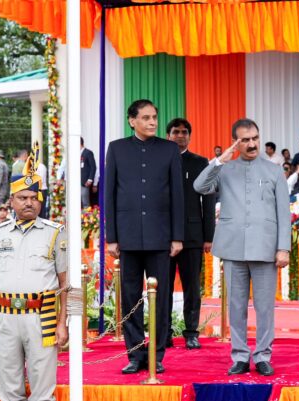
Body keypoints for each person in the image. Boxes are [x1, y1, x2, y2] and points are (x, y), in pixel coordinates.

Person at [194, 118, 291, 377]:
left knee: (265, 307)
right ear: (236, 142)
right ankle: (239, 355)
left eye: (255, 138)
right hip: (233, 247)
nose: (251, 144)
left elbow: (284, 212)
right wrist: (218, 161)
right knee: (235, 306)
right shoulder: (225, 169)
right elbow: (199, 187)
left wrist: (283, 248)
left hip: (266, 247)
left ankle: (262, 356)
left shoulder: (273, 171)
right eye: (245, 140)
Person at [0, 148, 68, 401]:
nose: (29, 202)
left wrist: (64, 323)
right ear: (12, 202)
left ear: (40, 201)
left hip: (42, 317)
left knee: (43, 390)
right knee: (9, 390)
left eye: (34, 197)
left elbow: (67, 285)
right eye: (22, 197)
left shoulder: (55, 233)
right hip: (5, 318)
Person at [105, 99, 184, 375]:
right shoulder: (116, 149)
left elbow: (177, 195)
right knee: (130, 297)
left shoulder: (169, 150)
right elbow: (110, 195)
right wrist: (111, 237)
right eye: (146, 117)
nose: (152, 122)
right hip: (126, 237)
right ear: (132, 120)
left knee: (160, 298)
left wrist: (177, 236)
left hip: (160, 236)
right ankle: (135, 355)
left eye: (154, 117)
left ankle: (156, 354)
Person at [166, 118, 216, 350]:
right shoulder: (159, 161)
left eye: (185, 132)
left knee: (192, 288)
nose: (180, 136)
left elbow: (208, 200)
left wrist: (209, 236)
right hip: (163, 236)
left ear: (190, 136)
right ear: (168, 135)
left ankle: (191, 332)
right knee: (163, 286)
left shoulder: (199, 162)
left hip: (193, 236)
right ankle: (163, 333)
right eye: (176, 132)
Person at [81, 137, 97, 207]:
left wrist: (90, 179)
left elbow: (93, 167)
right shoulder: (74, 153)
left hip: (84, 181)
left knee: (85, 202)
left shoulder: (88, 152)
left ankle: (86, 217)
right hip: (75, 181)